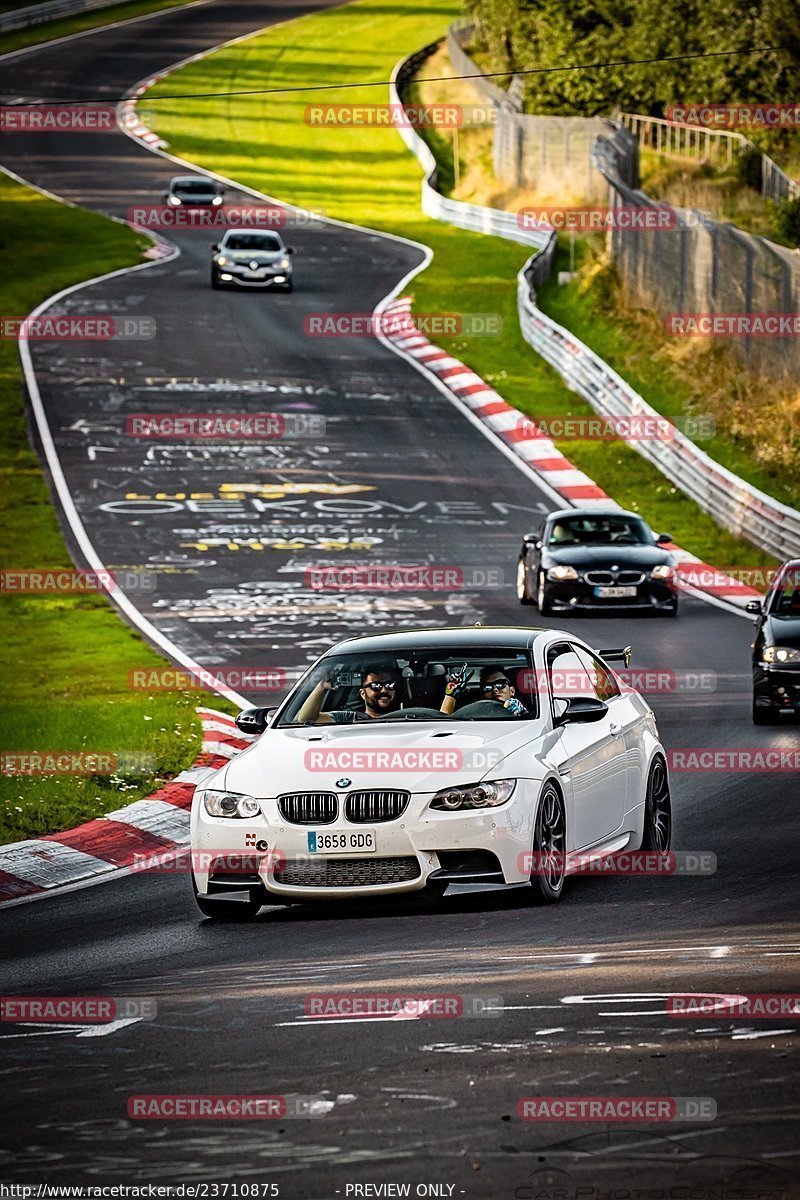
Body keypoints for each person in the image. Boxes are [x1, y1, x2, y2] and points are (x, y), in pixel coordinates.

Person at [295, 667, 399, 724]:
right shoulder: (349, 718)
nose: (384, 690)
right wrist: (321, 686)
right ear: (363, 694)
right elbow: (306, 719)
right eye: (376, 686)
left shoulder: (410, 717)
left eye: (389, 685)